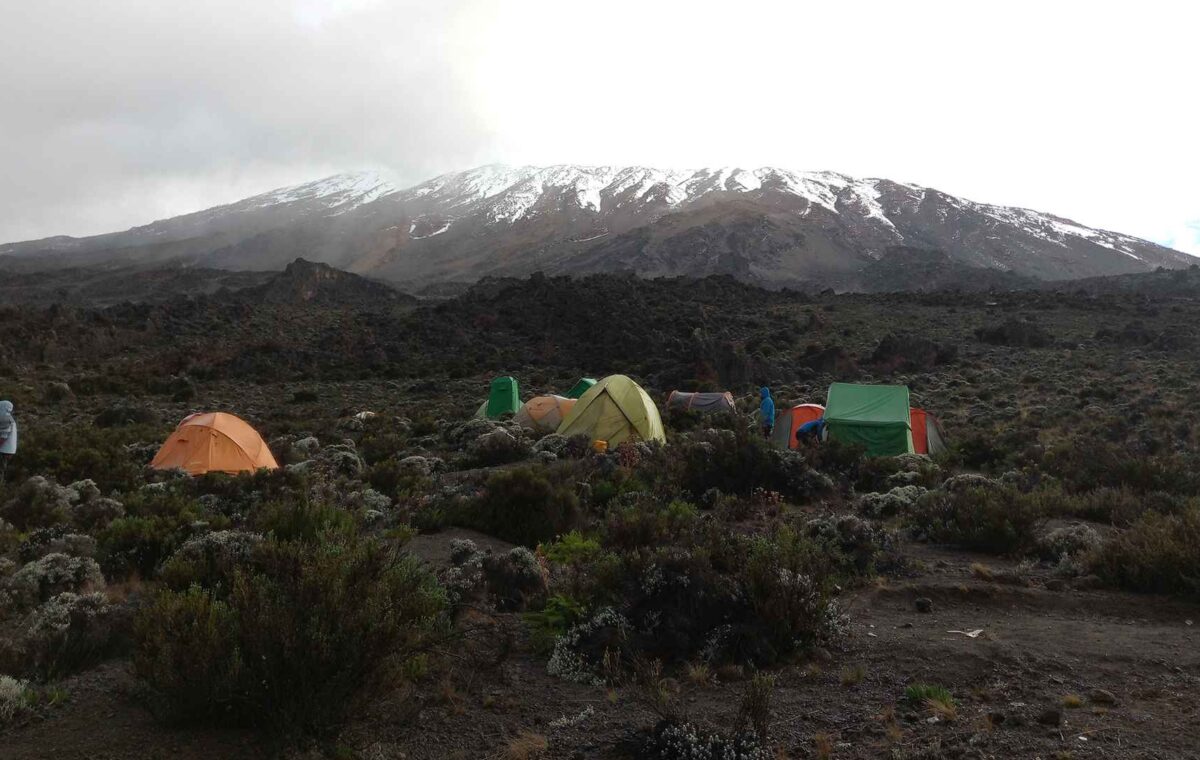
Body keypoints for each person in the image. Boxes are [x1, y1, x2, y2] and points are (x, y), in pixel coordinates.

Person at [0, 400, 16, 483]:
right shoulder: (8, 418)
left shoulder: (5, 419)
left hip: (3, 450)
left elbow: (3, 437)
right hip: (7, 450)